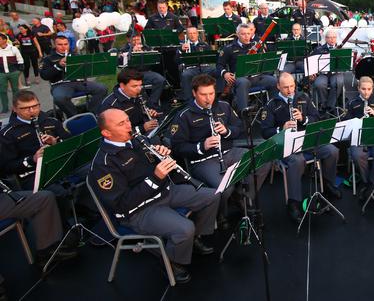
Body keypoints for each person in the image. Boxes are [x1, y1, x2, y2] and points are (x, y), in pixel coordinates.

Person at [90, 108, 219, 284]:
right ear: (106, 132)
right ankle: (170, 261)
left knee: (212, 196)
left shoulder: (138, 139)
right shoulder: (103, 164)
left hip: (164, 192)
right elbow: (122, 204)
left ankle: (193, 238)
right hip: (139, 211)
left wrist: (162, 155)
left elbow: (155, 166)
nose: (129, 125)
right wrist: (155, 177)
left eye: (128, 120)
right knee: (184, 228)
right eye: (121, 123)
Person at [170, 74, 269, 224]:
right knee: (224, 187)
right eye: (203, 95)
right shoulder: (184, 115)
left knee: (263, 159)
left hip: (229, 152)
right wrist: (201, 146)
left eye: (211, 93)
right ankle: (220, 213)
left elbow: (240, 127)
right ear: (194, 93)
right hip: (202, 160)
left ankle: (243, 197)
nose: (208, 99)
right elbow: (177, 148)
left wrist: (227, 131)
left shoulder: (223, 106)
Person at [260, 72, 341, 223]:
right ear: (278, 86)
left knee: (332, 151)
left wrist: (304, 119)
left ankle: (328, 183)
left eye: (292, 86)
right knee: (297, 161)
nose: (290, 90)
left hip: (306, 140)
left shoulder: (303, 97)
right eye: (286, 87)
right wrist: (281, 129)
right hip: (285, 144)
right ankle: (294, 202)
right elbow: (265, 131)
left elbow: (317, 117)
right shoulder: (271, 104)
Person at [0, 91, 71, 190]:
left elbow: (71, 143)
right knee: (59, 191)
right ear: (15, 109)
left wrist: (56, 143)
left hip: (60, 165)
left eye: (35, 106)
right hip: (32, 175)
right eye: (25, 108)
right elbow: (6, 167)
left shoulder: (51, 121)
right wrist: (32, 159)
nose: (32, 111)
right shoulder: (7, 134)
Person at [343, 76, 374, 201]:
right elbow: (344, 122)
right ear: (358, 88)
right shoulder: (352, 103)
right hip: (358, 138)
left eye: (369, 89)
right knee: (358, 156)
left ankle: (371, 185)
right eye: (363, 89)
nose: (366, 92)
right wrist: (357, 121)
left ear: (372, 89)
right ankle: (367, 181)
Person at [215, 23, 277, 115]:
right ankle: (243, 114)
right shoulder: (229, 48)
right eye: (243, 34)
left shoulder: (256, 45)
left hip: (257, 77)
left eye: (248, 33)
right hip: (240, 78)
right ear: (237, 34)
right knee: (243, 82)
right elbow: (219, 64)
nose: (246, 36)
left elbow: (265, 61)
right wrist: (225, 73)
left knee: (274, 81)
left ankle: (273, 110)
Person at [39, 35, 108, 117]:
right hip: (60, 84)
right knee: (60, 98)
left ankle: (92, 112)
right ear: (54, 45)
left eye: (65, 44)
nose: (63, 47)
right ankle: (75, 116)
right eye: (60, 44)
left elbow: (89, 70)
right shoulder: (48, 59)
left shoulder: (75, 55)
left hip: (79, 82)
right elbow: (44, 76)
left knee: (102, 88)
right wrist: (58, 65)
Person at [98, 68, 160, 136]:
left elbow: (143, 108)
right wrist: (143, 128)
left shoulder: (139, 92)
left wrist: (149, 112)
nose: (139, 89)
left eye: (140, 85)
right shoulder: (110, 105)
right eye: (134, 86)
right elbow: (116, 135)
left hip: (143, 129)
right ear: (122, 86)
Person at [117, 34, 166, 109]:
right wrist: (132, 53)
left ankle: (152, 103)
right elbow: (120, 64)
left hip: (145, 73)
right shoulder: (124, 49)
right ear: (128, 39)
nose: (136, 42)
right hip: (130, 74)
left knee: (160, 79)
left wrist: (144, 53)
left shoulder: (146, 47)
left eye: (138, 39)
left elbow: (154, 61)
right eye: (134, 40)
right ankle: (135, 105)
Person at [310, 28, 344, 115]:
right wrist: (312, 72)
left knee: (337, 82)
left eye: (334, 37)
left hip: (336, 72)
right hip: (323, 74)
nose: (332, 39)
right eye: (329, 37)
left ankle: (330, 107)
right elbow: (312, 61)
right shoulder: (319, 49)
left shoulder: (340, 49)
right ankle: (324, 105)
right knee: (319, 84)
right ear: (326, 38)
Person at [177, 27, 213, 102]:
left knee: (216, 71)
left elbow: (211, 58)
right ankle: (188, 100)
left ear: (197, 34)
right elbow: (176, 61)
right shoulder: (183, 46)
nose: (192, 35)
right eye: (190, 33)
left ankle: (218, 95)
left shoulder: (204, 45)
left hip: (204, 67)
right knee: (185, 75)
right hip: (190, 68)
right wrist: (181, 51)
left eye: (194, 33)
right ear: (187, 35)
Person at [0, 34, 24, 114]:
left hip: (13, 72)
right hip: (1, 73)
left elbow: (20, 59)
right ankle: (5, 108)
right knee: (2, 90)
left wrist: (19, 70)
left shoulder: (13, 49)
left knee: (15, 90)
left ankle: (16, 107)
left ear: (4, 40)